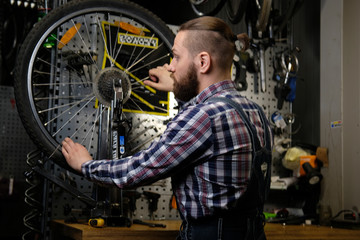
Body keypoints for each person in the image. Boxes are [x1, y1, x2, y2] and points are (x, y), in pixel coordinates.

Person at [62, 16, 272, 240]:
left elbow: (140, 170)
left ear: (203, 62)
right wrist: (178, 87)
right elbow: (197, 141)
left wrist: (86, 166)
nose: (171, 66)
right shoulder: (255, 111)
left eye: (176, 56)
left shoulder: (203, 117)